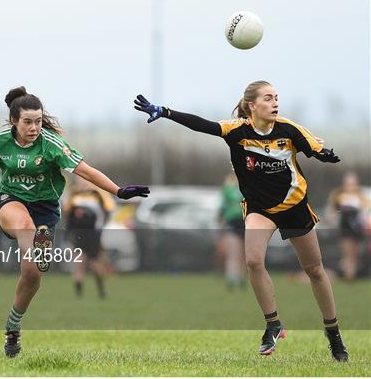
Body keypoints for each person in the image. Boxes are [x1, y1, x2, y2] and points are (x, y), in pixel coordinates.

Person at [133, 80, 348, 362]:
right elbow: (202, 124)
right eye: (268, 98)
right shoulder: (237, 131)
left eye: (276, 98)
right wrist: (165, 111)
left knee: (315, 270)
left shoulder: (288, 129)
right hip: (260, 208)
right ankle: (273, 324)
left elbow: (314, 146)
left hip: (294, 206)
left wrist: (324, 154)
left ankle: (333, 333)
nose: (275, 103)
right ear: (252, 105)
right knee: (253, 261)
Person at [0, 86, 149, 358]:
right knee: (25, 225)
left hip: (46, 209)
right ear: (14, 120)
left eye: (38, 121)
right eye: (28, 122)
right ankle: (37, 247)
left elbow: (85, 170)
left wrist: (118, 191)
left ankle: (13, 326)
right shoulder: (0, 143)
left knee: (32, 275)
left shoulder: (51, 144)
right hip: (11, 202)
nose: (34, 127)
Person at [64, 177, 116, 299]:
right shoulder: (76, 197)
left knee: (90, 263)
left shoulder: (95, 195)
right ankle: (84, 293)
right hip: (83, 234)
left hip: (90, 234)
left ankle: (94, 292)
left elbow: (107, 211)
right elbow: (69, 217)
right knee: (84, 263)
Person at [327, 172, 369, 281]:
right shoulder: (339, 196)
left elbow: (364, 213)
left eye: (353, 183)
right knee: (347, 254)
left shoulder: (360, 196)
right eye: (348, 183)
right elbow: (332, 212)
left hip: (357, 230)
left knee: (354, 255)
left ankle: (350, 277)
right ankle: (348, 277)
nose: (351, 186)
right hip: (345, 229)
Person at [217, 172, 246, 290]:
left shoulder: (227, 189)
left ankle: (235, 277)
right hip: (239, 221)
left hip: (237, 222)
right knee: (238, 252)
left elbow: (222, 208)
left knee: (237, 253)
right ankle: (236, 277)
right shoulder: (237, 189)